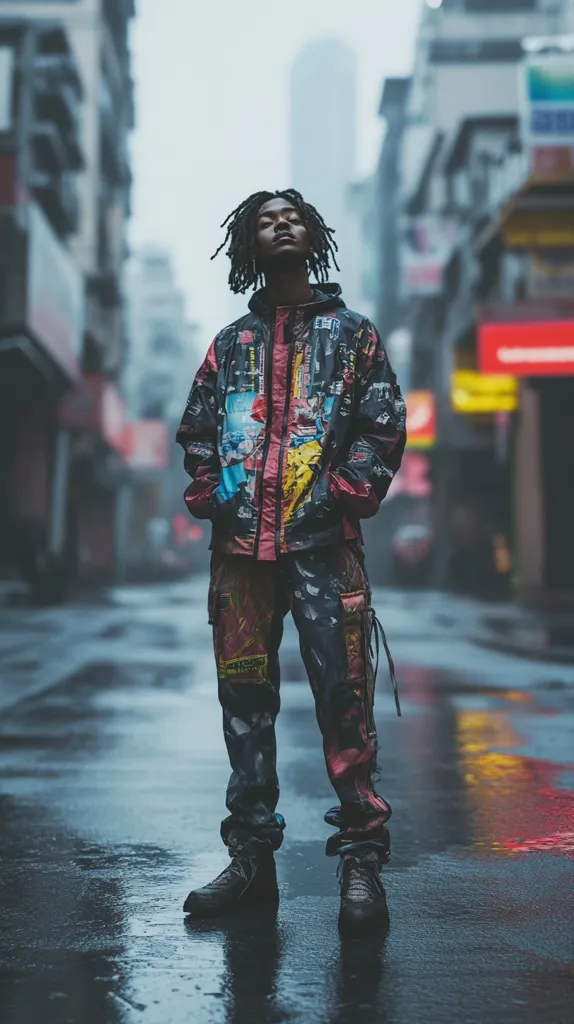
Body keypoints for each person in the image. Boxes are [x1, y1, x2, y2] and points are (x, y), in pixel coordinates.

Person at [176, 189, 406, 933]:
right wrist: (212, 491)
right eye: (263, 218)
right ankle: (251, 862)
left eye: (291, 215)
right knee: (244, 706)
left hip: (325, 552)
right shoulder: (230, 344)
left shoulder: (354, 336)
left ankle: (363, 864)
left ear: (312, 235)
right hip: (241, 559)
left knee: (346, 702)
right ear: (247, 241)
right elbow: (199, 431)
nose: (279, 223)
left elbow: (382, 423)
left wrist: (345, 491)